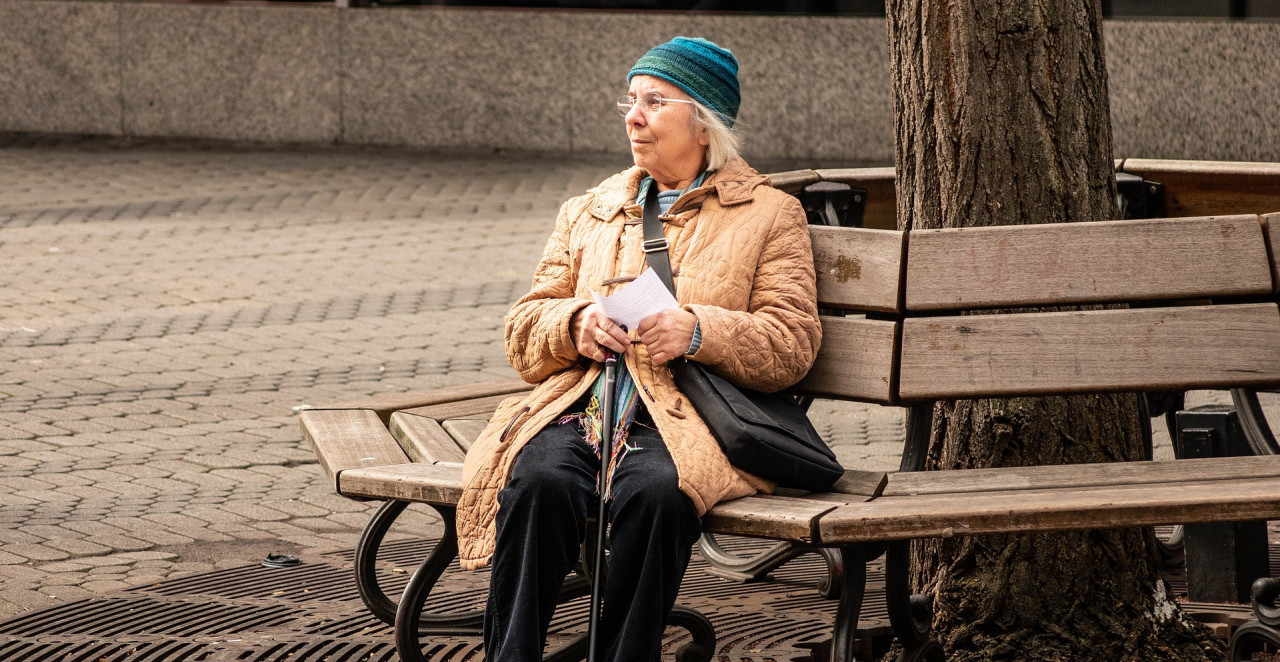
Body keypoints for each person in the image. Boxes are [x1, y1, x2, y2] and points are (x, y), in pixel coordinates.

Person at [456, 36, 822, 662]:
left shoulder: (769, 214)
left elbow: (792, 342)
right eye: (630, 100)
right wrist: (575, 324)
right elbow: (524, 328)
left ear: (703, 124)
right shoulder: (591, 210)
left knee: (657, 494)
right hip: (580, 405)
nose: (633, 115)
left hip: (684, 420)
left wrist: (699, 330)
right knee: (538, 480)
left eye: (655, 101)